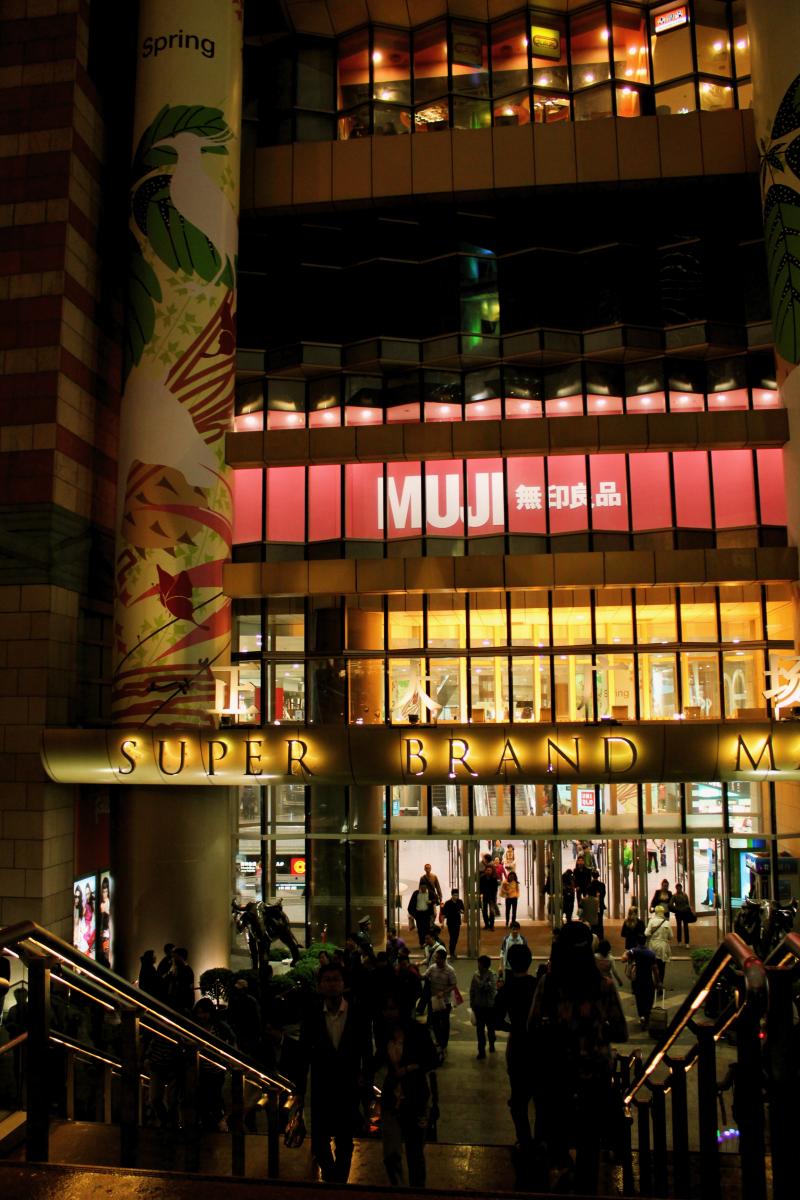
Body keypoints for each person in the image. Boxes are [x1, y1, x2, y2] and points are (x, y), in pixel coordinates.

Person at [530, 923, 628, 1195]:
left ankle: (560, 1175)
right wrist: (594, 1031)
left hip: (557, 1070)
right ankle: (587, 1186)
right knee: (590, 1139)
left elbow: (532, 1025)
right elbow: (621, 1031)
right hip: (594, 1074)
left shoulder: (549, 984)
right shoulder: (603, 986)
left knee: (556, 1133)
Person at [294, 961, 373, 1184]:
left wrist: (366, 1087)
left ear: (344, 984)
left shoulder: (357, 1013)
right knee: (319, 1140)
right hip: (321, 1087)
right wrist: (299, 1090)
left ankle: (338, 1184)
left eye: (336, 979)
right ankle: (333, 1181)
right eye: (327, 980)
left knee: (345, 1140)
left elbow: (367, 1052)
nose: (331, 984)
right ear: (319, 985)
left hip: (349, 1087)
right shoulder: (312, 1014)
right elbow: (303, 1053)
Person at [379, 992, 439, 1188]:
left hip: (415, 1098)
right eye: (385, 1009)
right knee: (390, 1153)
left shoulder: (417, 1031)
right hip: (391, 1098)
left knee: (415, 1152)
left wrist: (409, 1068)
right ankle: (398, 1189)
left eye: (393, 1008)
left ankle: (416, 1191)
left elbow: (432, 1059)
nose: (389, 1013)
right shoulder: (384, 1032)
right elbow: (378, 1058)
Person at [493, 943, 537, 1148]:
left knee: (518, 1100)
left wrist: (513, 1028)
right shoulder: (538, 985)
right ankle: (542, 1141)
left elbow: (496, 1020)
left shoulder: (506, 989)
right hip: (538, 1044)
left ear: (510, 963)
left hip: (518, 1044)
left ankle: (524, 1140)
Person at [192, 997, 236, 1131]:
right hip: (201, 1068)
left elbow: (232, 1038)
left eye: (204, 1012)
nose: (202, 1016)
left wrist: (226, 1057)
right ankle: (210, 1124)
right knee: (205, 1097)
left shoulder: (218, 1026)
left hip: (217, 1068)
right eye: (199, 1013)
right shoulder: (196, 1026)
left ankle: (215, 1124)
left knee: (215, 1096)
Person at [424, 948, 457, 1055]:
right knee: (435, 1022)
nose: (436, 960)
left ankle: (444, 1043)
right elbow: (425, 976)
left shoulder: (450, 970)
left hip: (445, 1002)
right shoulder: (432, 968)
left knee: (444, 1022)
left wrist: (444, 992)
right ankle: (438, 1041)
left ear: (443, 959)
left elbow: (453, 984)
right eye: (436, 958)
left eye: (438, 958)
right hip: (434, 1001)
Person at [625, 941, 659, 1028]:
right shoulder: (650, 954)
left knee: (639, 999)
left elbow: (623, 958)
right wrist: (658, 981)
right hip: (647, 979)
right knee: (649, 999)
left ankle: (641, 1016)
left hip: (637, 980)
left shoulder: (633, 951)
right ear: (645, 942)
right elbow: (655, 969)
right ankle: (646, 1015)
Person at [469, 954, 497, 1059]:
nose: (478, 966)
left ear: (484, 966)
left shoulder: (492, 975)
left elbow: (485, 988)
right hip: (479, 1006)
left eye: (479, 964)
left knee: (491, 1028)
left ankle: (492, 1043)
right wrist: (472, 1003)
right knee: (480, 1030)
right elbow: (472, 990)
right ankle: (481, 1051)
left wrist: (479, 980)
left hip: (489, 1007)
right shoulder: (476, 975)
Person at [644, 905, 673, 986]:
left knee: (652, 965)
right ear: (663, 912)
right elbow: (671, 936)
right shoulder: (667, 923)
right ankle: (660, 983)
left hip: (653, 945)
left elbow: (647, 933)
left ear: (655, 912)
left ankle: (653, 982)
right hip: (663, 946)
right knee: (662, 966)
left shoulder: (651, 921)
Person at [165, 947, 195, 1015]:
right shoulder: (176, 969)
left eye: (175, 957)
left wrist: (188, 1006)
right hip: (175, 1004)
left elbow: (188, 989)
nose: (173, 959)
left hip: (182, 1005)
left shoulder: (187, 971)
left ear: (181, 957)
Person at [407, 881, 434, 947]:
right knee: (420, 929)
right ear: (420, 887)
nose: (424, 889)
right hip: (419, 914)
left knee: (427, 929)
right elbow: (411, 904)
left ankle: (427, 942)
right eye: (422, 888)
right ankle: (422, 943)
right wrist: (413, 914)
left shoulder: (430, 893)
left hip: (426, 913)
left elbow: (436, 900)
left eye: (425, 888)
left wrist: (431, 902)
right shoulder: (416, 893)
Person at [440, 889, 465, 958]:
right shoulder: (448, 903)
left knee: (456, 937)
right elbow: (443, 914)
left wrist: (461, 911)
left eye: (457, 895)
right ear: (452, 895)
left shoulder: (460, 901)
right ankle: (452, 952)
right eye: (454, 895)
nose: (456, 897)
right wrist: (442, 923)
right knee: (452, 937)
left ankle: (452, 950)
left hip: (457, 922)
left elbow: (463, 910)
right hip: (450, 922)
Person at [479, 863, 499, 930]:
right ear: (485, 871)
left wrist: (494, 898)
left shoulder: (494, 879)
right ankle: (486, 925)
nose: (488, 871)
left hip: (492, 898)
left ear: (492, 871)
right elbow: (480, 887)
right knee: (484, 911)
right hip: (484, 897)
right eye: (487, 870)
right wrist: (480, 894)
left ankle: (491, 925)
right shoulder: (482, 878)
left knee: (492, 912)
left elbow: (495, 889)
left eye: (490, 870)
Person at [587, 870, 606, 937]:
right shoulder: (602, 885)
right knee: (600, 920)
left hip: (592, 904)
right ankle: (600, 935)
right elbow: (603, 894)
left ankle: (593, 934)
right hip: (600, 904)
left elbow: (588, 894)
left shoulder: (589, 885)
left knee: (592, 920)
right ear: (598, 876)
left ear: (592, 876)